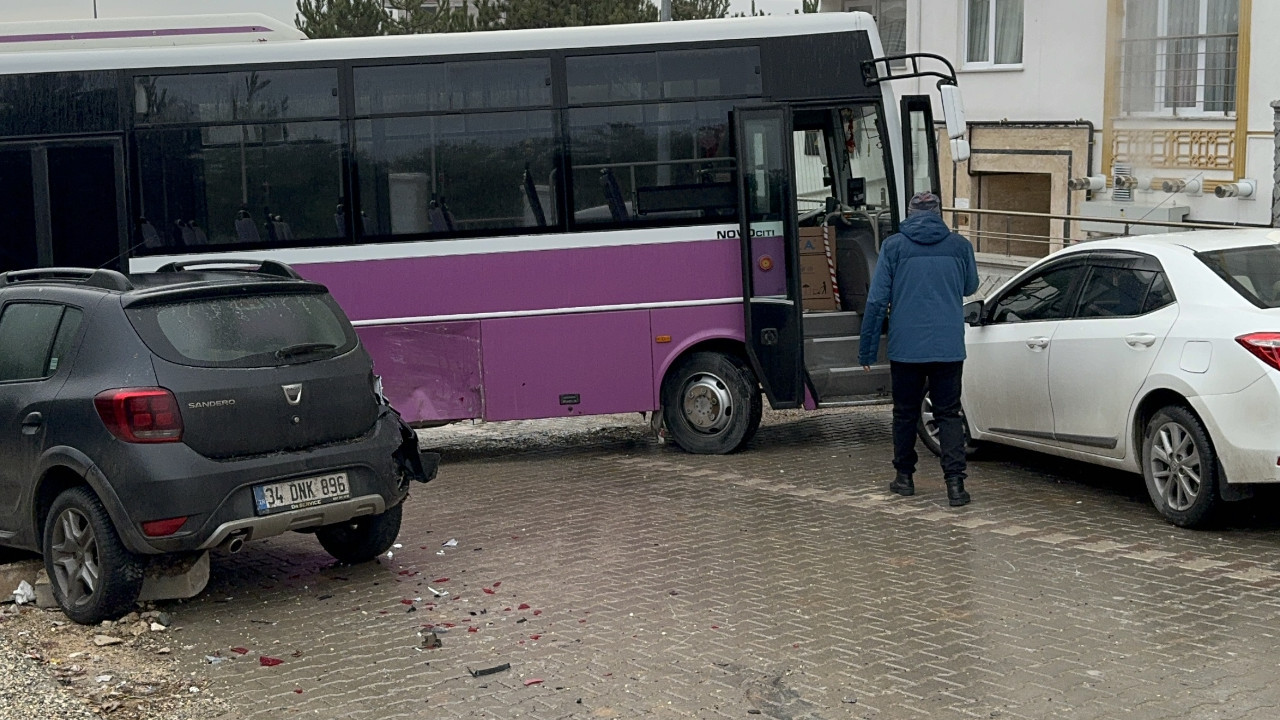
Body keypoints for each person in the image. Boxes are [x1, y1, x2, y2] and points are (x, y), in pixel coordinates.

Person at [858, 191, 980, 506]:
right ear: (939, 213)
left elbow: (876, 300)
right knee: (949, 414)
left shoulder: (894, 247)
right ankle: (955, 486)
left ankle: (904, 479)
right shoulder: (960, 246)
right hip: (948, 347)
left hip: (906, 348)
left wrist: (867, 350)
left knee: (904, 414)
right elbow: (970, 286)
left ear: (910, 214)